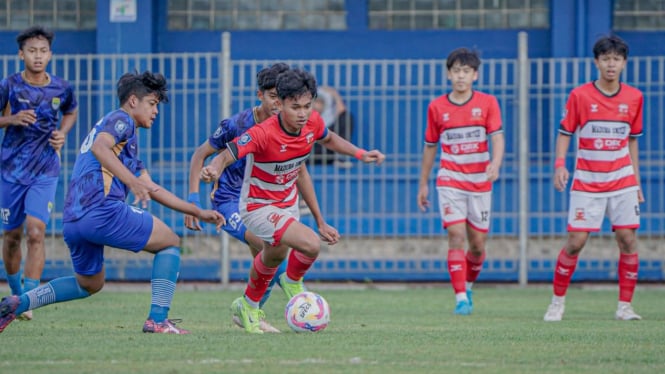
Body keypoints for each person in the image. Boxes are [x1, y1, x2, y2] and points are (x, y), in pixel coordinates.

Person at [0, 71, 224, 334]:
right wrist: (131, 182)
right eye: (152, 104)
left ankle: (17, 303)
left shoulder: (126, 141)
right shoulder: (121, 120)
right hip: (102, 210)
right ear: (132, 101)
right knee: (170, 244)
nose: (155, 112)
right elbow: (100, 148)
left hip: (73, 220)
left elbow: (152, 187)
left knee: (90, 283)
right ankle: (157, 320)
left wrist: (196, 210)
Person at [200, 68, 385, 333]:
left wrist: (360, 153)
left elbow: (329, 139)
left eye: (307, 106)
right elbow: (228, 153)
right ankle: (293, 280)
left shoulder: (313, 122)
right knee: (310, 245)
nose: (302, 113)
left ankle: (248, 306)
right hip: (258, 207)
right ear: (281, 103)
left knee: (272, 258)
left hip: (286, 204)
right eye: (295, 107)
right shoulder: (263, 132)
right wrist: (215, 168)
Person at [185, 63, 338, 333]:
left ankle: (250, 308)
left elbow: (300, 170)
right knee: (268, 246)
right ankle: (253, 307)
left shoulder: (290, 129)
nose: (279, 104)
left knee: (272, 254)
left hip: (268, 200)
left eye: (284, 99)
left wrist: (319, 217)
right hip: (230, 200)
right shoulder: (238, 124)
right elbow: (201, 154)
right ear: (260, 96)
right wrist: (193, 202)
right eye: (273, 98)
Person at [543, 35, 644, 322]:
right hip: (587, 180)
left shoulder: (635, 97)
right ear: (596, 62)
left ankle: (625, 307)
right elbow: (565, 132)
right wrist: (560, 165)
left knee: (627, 239)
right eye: (606, 59)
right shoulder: (580, 95)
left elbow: (633, 141)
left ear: (624, 63)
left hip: (622, 179)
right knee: (576, 241)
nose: (611, 64)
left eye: (616, 59)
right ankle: (557, 302)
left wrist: (636, 181)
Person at [417, 48, 505, 316]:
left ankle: (467, 285)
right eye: (456, 71)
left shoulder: (488, 103)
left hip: (480, 181)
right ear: (448, 74)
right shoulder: (437, 107)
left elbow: (498, 136)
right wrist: (423, 183)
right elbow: (430, 146)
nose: (461, 76)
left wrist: (496, 164)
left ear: (475, 75)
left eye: (466, 71)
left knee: (477, 246)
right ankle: (460, 299)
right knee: (456, 236)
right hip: (450, 180)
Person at [0, 26, 78, 321]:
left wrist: (63, 133)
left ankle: (25, 301)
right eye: (32, 51)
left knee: (36, 232)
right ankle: (14, 289)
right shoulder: (9, 85)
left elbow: (70, 111)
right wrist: (11, 119)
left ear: (50, 55)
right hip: (11, 170)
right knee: (11, 237)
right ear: (21, 54)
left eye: (43, 51)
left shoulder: (62, 88)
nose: (37, 56)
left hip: (45, 169)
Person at [311, 85, 354, 166]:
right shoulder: (303, 115)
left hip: (328, 153)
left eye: (319, 102)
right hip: (308, 153)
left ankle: (339, 158)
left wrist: (335, 96)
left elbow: (343, 114)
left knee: (346, 117)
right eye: (314, 101)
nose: (315, 105)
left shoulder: (330, 117)